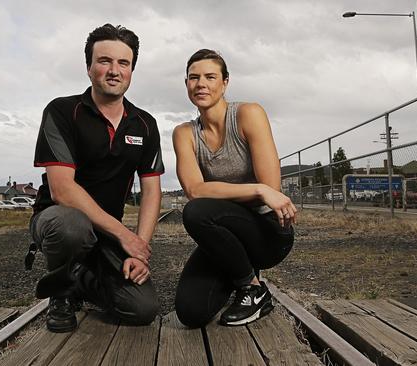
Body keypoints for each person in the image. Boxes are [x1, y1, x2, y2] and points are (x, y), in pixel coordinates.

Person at [31, 24, 163, 333]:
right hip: (59, 220)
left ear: (132, 70)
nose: (114, 70)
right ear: (89, 67)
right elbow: (62, 190)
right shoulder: (62, 111)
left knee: (142, 309)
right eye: (104, 61)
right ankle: (61, 295)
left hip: (106, 231)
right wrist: (124, 235)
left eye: (123, 63)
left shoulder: (145, 124)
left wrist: (140, 248)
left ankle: (79, 279)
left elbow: (152, 191)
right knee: (71, 224)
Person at [172, 49, 296, 328]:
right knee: (190, 312)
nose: (201, 83)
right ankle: (242, 276)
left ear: (225, 82)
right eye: (194, 78)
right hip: (224, 236)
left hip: (267, 233)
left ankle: (252, 289)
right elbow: (194, 189)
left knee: (196, 212)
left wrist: (265, 191)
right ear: (187, 84)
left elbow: (272, 188)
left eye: (210, 77)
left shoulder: (248, 114)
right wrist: (258, 190)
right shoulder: (184, 134)